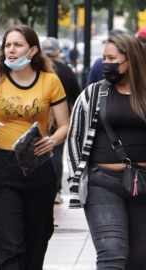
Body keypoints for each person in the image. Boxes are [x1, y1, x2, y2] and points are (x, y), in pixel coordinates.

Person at [0, 25, 70, 270]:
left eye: (18, 44)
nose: (11, 50)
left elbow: (64, 125)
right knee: (9, 245)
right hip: (3, 168)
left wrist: (53, 139)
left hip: (38, 165)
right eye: (7, 45)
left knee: (36, 242)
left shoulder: (50, 81)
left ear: (32, 50)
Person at [67, 34, 146, 269]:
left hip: (143, 183)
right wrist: (76, 181)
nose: (106, 64)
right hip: (103, 183)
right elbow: (75, 135)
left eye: (112, 58)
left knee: (139, 259)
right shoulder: (94, 93)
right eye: (104, 58)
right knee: (112, 253)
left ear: (131, 60)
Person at [42, 37, 82, 204]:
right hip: (60, 118)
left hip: (40, 115)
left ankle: (42, 188)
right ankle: (56, 189)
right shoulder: (66, 70)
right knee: (56, 152)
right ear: (58, 53)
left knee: (39, 151)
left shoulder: (39, 70)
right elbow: (76, 97)